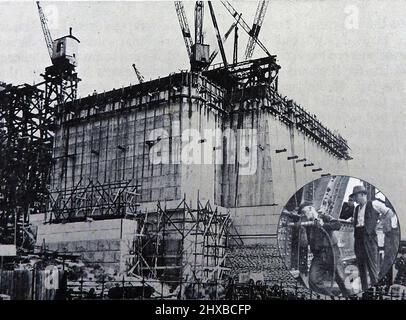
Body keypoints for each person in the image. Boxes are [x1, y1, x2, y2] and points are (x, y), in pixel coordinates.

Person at [292, 202, 351, 297]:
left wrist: (323, 225)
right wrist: (301, 230)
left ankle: (351, 296)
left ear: (311, 209)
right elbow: (304, 243)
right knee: (313, 280)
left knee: (341, 279)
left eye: (305, 212)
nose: (304, 215)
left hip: (332, 253)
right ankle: (331, 297)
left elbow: (338, 225)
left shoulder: (324, 217)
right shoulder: (307, 224)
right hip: (318, 256)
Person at [350, 185, 396, 292]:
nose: (355, 199)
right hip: (358, 240)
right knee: (361, 268)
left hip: (370, 240)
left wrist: (379, 225)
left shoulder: (374, 204)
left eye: (356, 196)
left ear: (363, 195)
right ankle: (366, 291)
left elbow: (389, 213)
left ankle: (376, 292)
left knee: (372, 268)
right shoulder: (356, 208)